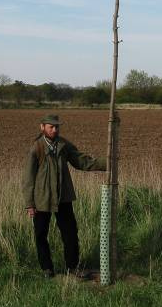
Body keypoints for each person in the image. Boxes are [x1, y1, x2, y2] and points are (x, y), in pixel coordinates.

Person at [22, 114, 106, 278]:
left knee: (70, 234)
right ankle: (47, 269)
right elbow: (28, 179)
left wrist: (107, 163)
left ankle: (73, 268)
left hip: (63, 198)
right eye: (51, 127)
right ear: (42, 127)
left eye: (57, 127)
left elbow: (81, 161)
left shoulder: (64, 145)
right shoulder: (36, 148)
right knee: (40, 235)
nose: (54, 130)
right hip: (41, 199)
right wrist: (30, 204)